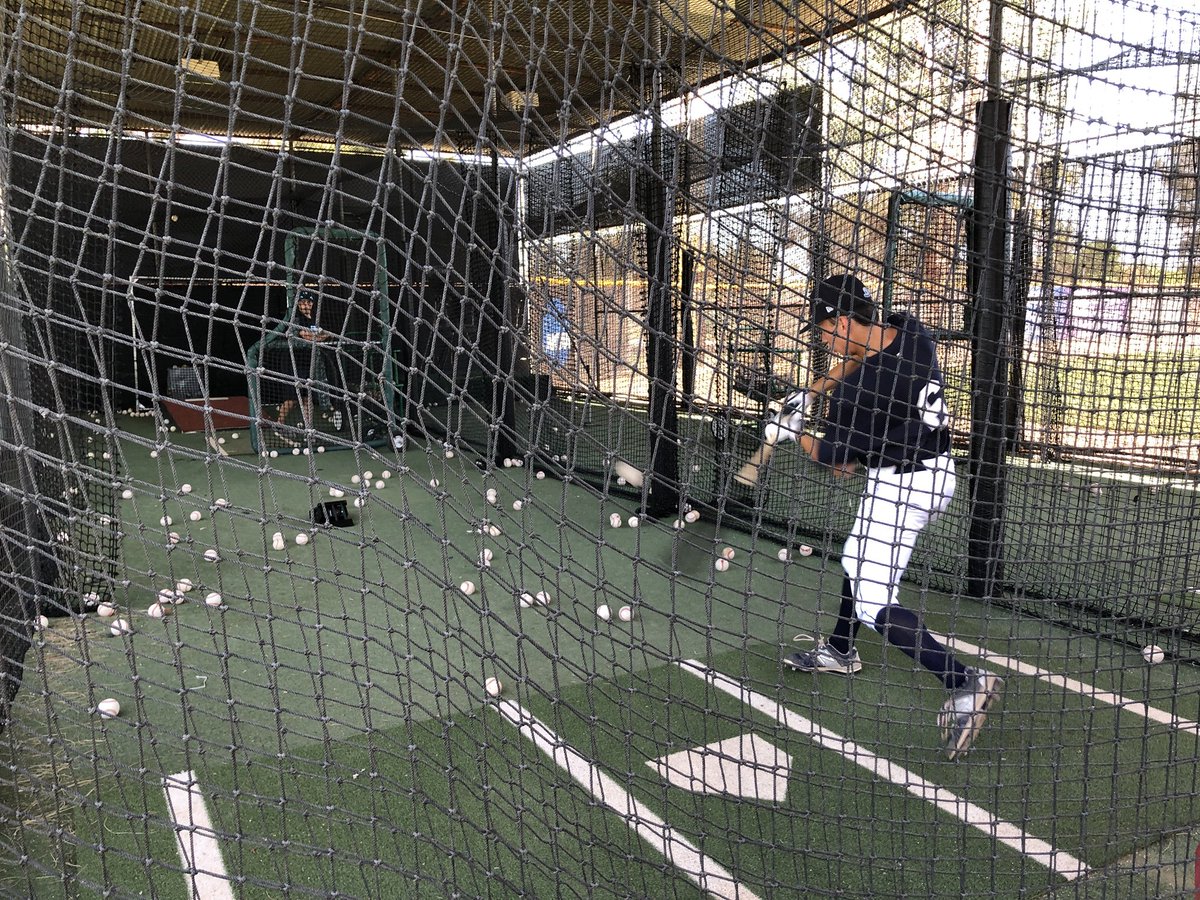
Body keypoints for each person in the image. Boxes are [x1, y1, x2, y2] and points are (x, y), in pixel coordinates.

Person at [771, 273, 1002, 760]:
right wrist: (814, 393)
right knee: (856, 558)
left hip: (904, 487)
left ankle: (965, 682)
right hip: (933, 469)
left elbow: (837, 464)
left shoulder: (865, 394)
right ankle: (839, 649)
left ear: (845, 318)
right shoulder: (909, 332)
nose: (824, 339)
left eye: (826, 329)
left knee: (875, 598)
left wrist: (793, 431)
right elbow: (857, 358)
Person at [274, 288, 332, 433]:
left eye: (308, 302)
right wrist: (320, 337)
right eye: (302, 302)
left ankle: (309, 427)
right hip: (292, 360)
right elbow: (306, 336)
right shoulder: (296, 318)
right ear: (298, 304)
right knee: (292, 399)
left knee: (308, 397)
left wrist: (321, 336)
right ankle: (279, 424)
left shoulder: (317, 318)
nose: (305, 305)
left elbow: (329, 334)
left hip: (308, 361)